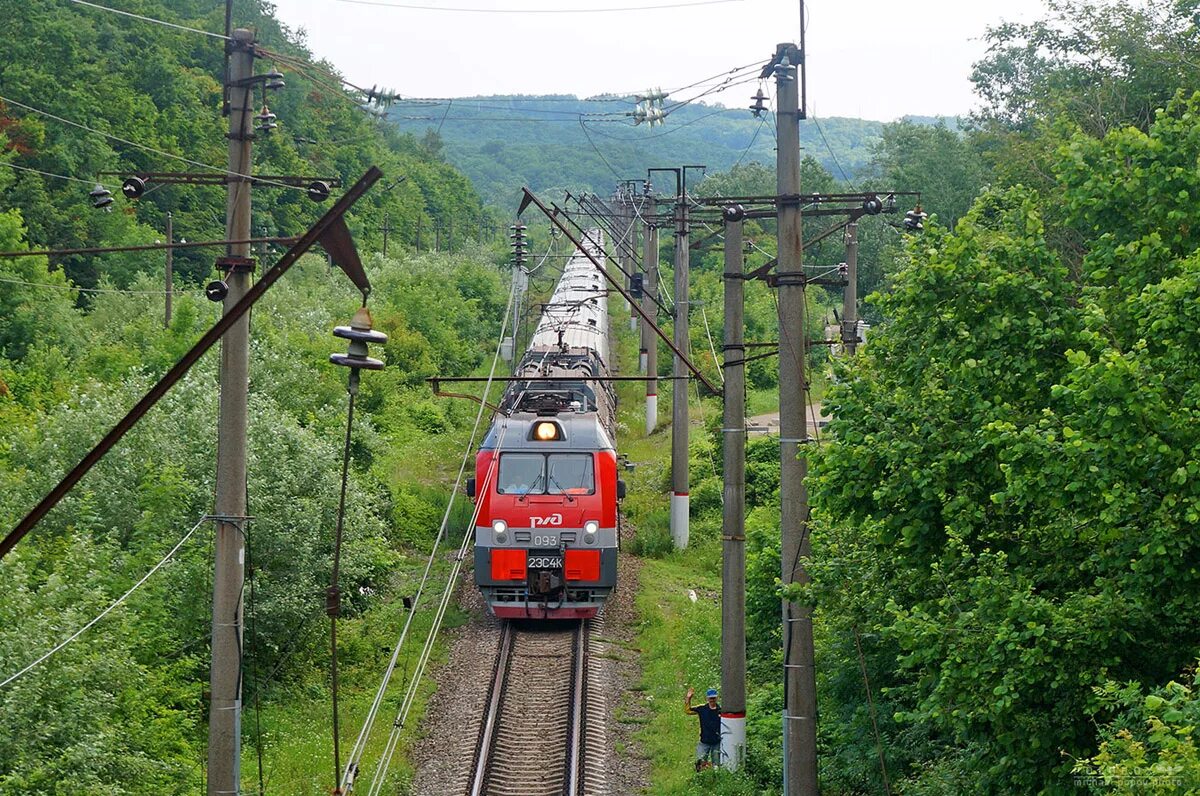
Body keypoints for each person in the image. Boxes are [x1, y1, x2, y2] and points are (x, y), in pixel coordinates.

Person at [685, 686, 722, 770]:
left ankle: (714, 777)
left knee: (717, 766)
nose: (712, 700)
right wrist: (688, 698)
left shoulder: (721, 711)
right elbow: (688, 711)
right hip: (704, 741)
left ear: (717, 698)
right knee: (699, 763)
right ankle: (700, 776)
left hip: (716, 742)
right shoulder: (702, 709)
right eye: (710, 698)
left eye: (714, 698)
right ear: (707, 698)